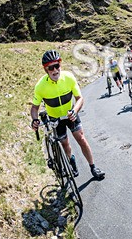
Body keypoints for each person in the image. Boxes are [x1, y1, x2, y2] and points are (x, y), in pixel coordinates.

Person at [30, 50, 105, 181]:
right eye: (51, 68)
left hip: (71, 114)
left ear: (60, 65)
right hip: (55, 119)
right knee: (65, 144)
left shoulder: (68, 77)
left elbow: (80, 98)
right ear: (45, 70)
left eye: (57, 66)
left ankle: (93, 167)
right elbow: (34, 107)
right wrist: (34, 119)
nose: (55, 70)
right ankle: (71, 161)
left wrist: (74, 111)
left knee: (81, 139)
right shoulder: (40, 86)